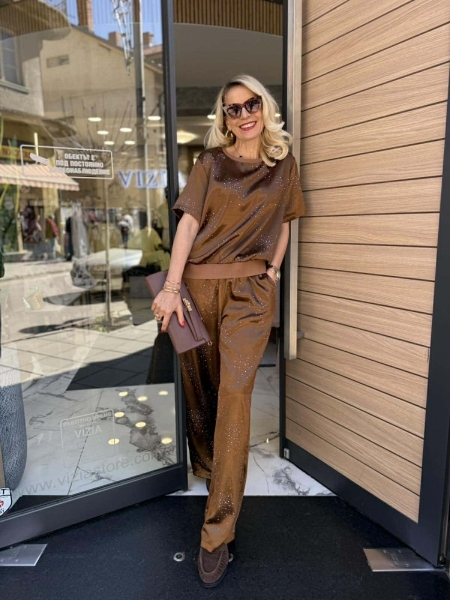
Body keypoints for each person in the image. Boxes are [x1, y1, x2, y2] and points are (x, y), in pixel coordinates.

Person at [151, 74, 305, 587]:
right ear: (224, 118)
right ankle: (211, 468)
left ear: (264, 106)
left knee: (235, 396)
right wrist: (172, 287)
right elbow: (189, 224)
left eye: (251, 104)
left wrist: (273, 270)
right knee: (203, 392)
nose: (243, 114)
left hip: (249, 296)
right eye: (233, 108)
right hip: (197, 289)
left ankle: (217, 531)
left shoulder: (284, 167)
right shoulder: (210, 164)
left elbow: (286, 221)